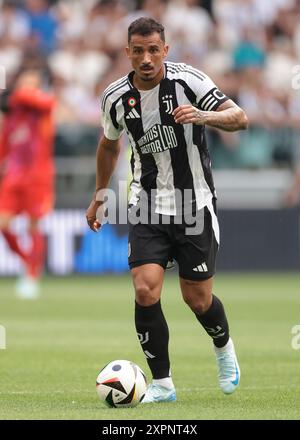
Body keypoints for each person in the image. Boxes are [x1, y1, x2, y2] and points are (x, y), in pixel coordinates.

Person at [86, 17, 248, 403]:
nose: (146, 58)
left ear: (165, 50)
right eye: (138, 51)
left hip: (196, 204)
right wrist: (98, 193)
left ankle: (224, 349)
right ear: (127, 52)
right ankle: (162, 384)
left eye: (153, 50)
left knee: (198, 299)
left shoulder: (188, 81)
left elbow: (240, 118)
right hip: (146, 204)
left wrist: (203, 115)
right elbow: (109, 145)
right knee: (145, 290)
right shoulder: (114, 97)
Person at [0, 68, 55, 299]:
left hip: (38, 175)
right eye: (24, 82)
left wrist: (16, 94)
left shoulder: (42, 108)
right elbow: (5, 146)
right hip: (14, 176)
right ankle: (27, 263)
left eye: (31, 83)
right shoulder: (13, 117)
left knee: (34, 225)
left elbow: (46, 103)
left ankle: (32, 276)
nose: (26, 87)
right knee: (3, 223)